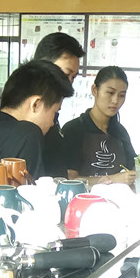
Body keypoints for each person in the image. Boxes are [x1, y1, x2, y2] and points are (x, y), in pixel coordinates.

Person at [61, 66, 138, 185]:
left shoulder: (120, 132)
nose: (115, 100)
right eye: (110, 93)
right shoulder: (74, 130)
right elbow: (70, 179)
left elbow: (133, 167)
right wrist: (112, 179)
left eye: (121, 95)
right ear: (94, 90)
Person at [33, 32, 85, 177]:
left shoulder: (54, 115)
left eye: (73, 77)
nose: (69, 84)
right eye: (65, 74)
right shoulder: (28, 117)